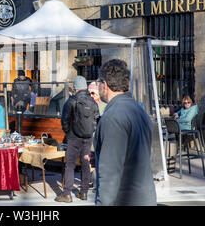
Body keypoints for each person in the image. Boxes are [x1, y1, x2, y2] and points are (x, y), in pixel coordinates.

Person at [94, 59, 157, 206]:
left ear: (105, 84)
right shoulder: (138, 110)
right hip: (144, 197)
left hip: (125, 200)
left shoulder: (113, 117)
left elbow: (110, 174)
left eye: (98, 83)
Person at [55, 76, 99, 203]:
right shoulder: (92, 101)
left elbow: (64, 120)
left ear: (75, 87)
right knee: (86, 164)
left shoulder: (71, 101)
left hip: (74, 138)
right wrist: (90, 131)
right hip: (88, 137)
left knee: (70, 165)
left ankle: (67, 194)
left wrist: (68, 132)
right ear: (85, 87)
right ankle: (83, 192)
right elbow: (96, 119)